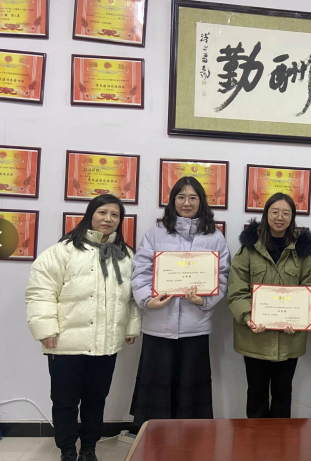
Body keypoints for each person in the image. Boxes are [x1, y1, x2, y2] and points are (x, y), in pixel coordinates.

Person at [25, 194, 141, 461]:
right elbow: (40, 292)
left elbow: (132, 298)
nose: (108, 219)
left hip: (106, 344)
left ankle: (89, 448)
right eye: (102, 212)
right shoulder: (62, 251)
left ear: (120, 221)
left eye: (115, 215)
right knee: (65, 401)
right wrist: (46, 330)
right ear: (90, 215)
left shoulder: (126, 256)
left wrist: (131, 328)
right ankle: (67, 450)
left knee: (96, 400)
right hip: (66, 344)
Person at [130, 176, 230, 425]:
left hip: (195, 326)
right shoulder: (155, 233)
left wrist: (203, 301)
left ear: (201, 201)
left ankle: (190, 440)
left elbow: (223, 276)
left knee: (191, 392)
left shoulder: (215, 237)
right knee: (157, 391)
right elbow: (141, 271)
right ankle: (153, 439)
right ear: (173, 200)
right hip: (158, 324)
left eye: (193, 197)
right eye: (181, 197)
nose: (187, 203)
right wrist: (147, 300)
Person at [227, 193, 311, 418]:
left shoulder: (303, 252)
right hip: (254, 336)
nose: (280, 217)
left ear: (292, 217)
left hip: (290, 338)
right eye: (275, 212)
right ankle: (255, 439)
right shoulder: (248, 249)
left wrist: (300, 318)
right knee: (256, 394)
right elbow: (236, 289)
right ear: (266, 214)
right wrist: (248, 316)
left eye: (286, 213)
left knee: (283, 394)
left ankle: (281, 440)